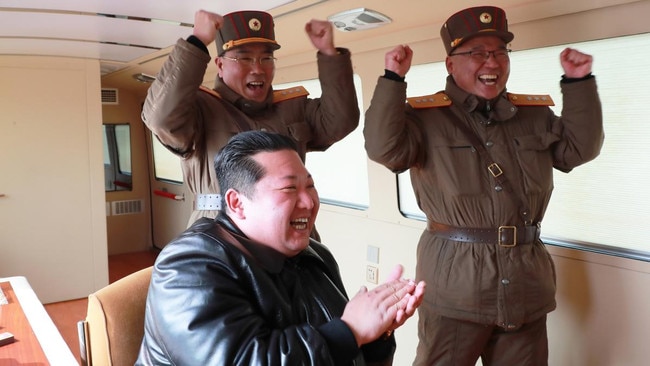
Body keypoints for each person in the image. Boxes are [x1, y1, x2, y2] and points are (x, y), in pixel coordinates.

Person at [363, 5, 603, 366]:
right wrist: (392, 80)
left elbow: (579, 150)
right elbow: (384, 149)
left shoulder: (534, 114)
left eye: (499, 52)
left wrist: (579, 83)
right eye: (477, 53)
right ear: (450, 64)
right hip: (454, 288)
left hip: (525, 284)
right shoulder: (425, 119)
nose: (491, 62)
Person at [136, 130, 426, 365]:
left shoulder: (315, 255)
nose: (309, 202)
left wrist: (376, 334)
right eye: (289, 189)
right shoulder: (189, 266)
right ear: (237, 203)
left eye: (310, 186)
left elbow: (344, 349)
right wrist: (351, 331)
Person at [143, 9, 360, 227]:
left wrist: (330, 56)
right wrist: (197, 42)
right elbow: (161, 119)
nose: (258, 69)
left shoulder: (293, 107)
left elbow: (340, 122)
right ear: (220, 65)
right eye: (244, 58)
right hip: (222, 233)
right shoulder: (198, 109)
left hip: (288, 230)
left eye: (266, 58)